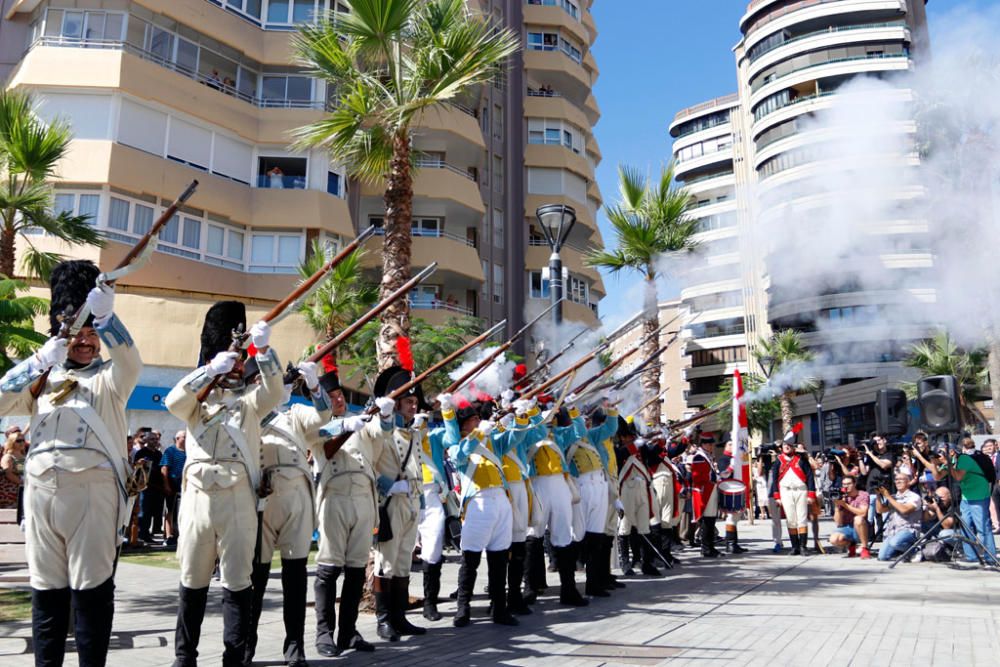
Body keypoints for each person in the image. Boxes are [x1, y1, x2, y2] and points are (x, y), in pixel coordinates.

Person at [0, 259, 140, 665]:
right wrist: (38, 361)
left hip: (94, 497)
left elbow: (132, 362)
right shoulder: (42, 377)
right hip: (42, 497)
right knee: (46, 596)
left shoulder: (112, 378)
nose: (85, 340)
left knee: (92, 595)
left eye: (92, 333)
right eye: (77, 332)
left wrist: (107, 317)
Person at [166, 301, 283, 667]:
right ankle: (185, 657)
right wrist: (207, 372)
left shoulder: (250, 402)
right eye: (226, 359)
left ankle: (235, 657)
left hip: (238, 498)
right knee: (192, 579)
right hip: (198, 498)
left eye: (236, 360)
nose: (233, 366)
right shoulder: (195, 400)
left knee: (237, 582)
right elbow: (173, 401)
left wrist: (264, 352)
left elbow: (275, 391)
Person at [244, 357, 330, 667]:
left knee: (295, 579)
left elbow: (323, 418)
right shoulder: (246, 414)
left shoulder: (293, 414)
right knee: (257, 578)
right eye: (261, 383)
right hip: (260, 499)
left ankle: (295, 646)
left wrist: (314, 385)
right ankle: (246, 644)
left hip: (296, 497)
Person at [313, 369, 394, 657]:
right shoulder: (318, 425)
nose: (338, 400)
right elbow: (324, 446)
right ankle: (324, 634)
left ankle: (348, 632)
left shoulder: (361, 422)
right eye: (331, 397)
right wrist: (346, 426)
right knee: (328, 569)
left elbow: (382, 433)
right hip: (335, 499)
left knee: (356, 570)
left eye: (339, 396)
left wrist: (384, 414)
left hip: (364, 500)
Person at [445, 396, 519, 627]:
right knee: (471, 559)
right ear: (463, 425)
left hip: (501, 500)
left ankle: (499, 608)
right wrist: (479, 433)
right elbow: (458, 456)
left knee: (499, 560)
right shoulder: (460, 444)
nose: (478, 421)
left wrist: (522, 416)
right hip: (478, 502)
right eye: (473, 419)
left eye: (478, 418)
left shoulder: (491, 443)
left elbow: (518, 436)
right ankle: (463, 608)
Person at [371, 363, 428, 641]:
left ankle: (399, 616)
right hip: (391, 502)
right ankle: (383, 621)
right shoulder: (379, 430)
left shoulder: (412, 432)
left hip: (412, 502)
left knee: (404, 562)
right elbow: (364, 462)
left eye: (415, 401)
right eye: (408, 401)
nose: (413, 406)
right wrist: (388, 486)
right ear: (394, 404)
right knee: (386, 563)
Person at [948, 438, 996, 562]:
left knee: (982, 527)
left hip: (978, 496)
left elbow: (958, 476)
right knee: (966, 526)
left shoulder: (964, 458)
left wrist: (948, 464)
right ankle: (971, 556)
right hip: (967, 496)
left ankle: (990, 557)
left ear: (954, 450)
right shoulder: (954, 460)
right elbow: (937, 475)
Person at [769, 429, 815, 556]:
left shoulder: (800, 459)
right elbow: (774, 480)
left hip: (801, 491)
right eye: (784, 445)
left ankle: (803, 546)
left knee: (802, 519)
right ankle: (795, 547)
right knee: (791, 520)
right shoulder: (778, 460)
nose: (786, 447)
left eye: (789, 445)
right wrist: (777, 496)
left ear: (793, 447)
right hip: (786, 492)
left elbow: (810, 476)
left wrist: (811, 494)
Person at [874, 472, 923, 561]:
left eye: (901, 479)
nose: (898, 482)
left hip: (909, 530)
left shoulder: (914, 497)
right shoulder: (893, 497)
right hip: (893, 532)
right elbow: (880, 510)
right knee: (882, 557)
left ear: (909, 482)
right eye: (896, 479)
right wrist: (878, 495)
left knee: (895, 543)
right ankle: (903, 552)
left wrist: (888, 496)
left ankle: (915, 549)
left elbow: (904, 510)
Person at [828, 475, 871, 559]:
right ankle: (851, 544)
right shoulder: (841, 496)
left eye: (848, 484)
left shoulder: (863, 495)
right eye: (844, 484)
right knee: (833, 539)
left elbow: (863, 513)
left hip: (861, 527)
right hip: (847, 527)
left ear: (854, 484)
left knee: (858, 519)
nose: (846, 486)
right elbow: (838, 522)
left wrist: (845, 505)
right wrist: (837, 506)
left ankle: (865, 548)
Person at [133, 429, 164, 543]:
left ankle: (147, 534)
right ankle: (141, 534)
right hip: (145, 487)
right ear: (146, 440)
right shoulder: (141, 452)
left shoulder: (158, 453)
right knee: (144, 511)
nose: (155, 441)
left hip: (157, 487)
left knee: (153, 511)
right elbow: (135, 468)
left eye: (156, 439)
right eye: (152, 439)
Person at [160, 431, 187, 547]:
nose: (187, 439)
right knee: (170, 510)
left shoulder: (190, 452)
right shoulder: (170, 451)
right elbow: (164, 468)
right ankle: (169, 535)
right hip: (173, 483)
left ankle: (181, 534)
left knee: (183, 511)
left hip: (186, 485)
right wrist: (166, 485)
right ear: (177, 438)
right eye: (184, 437)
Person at [0, 430, 26, 512]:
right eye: (18, 441)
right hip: (10, 492)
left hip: (22, 490)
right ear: (12, 442)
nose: (22, 443)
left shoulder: (24, 456)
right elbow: (8, 473)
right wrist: (22, 482)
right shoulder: (8, 457)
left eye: (23, 440)